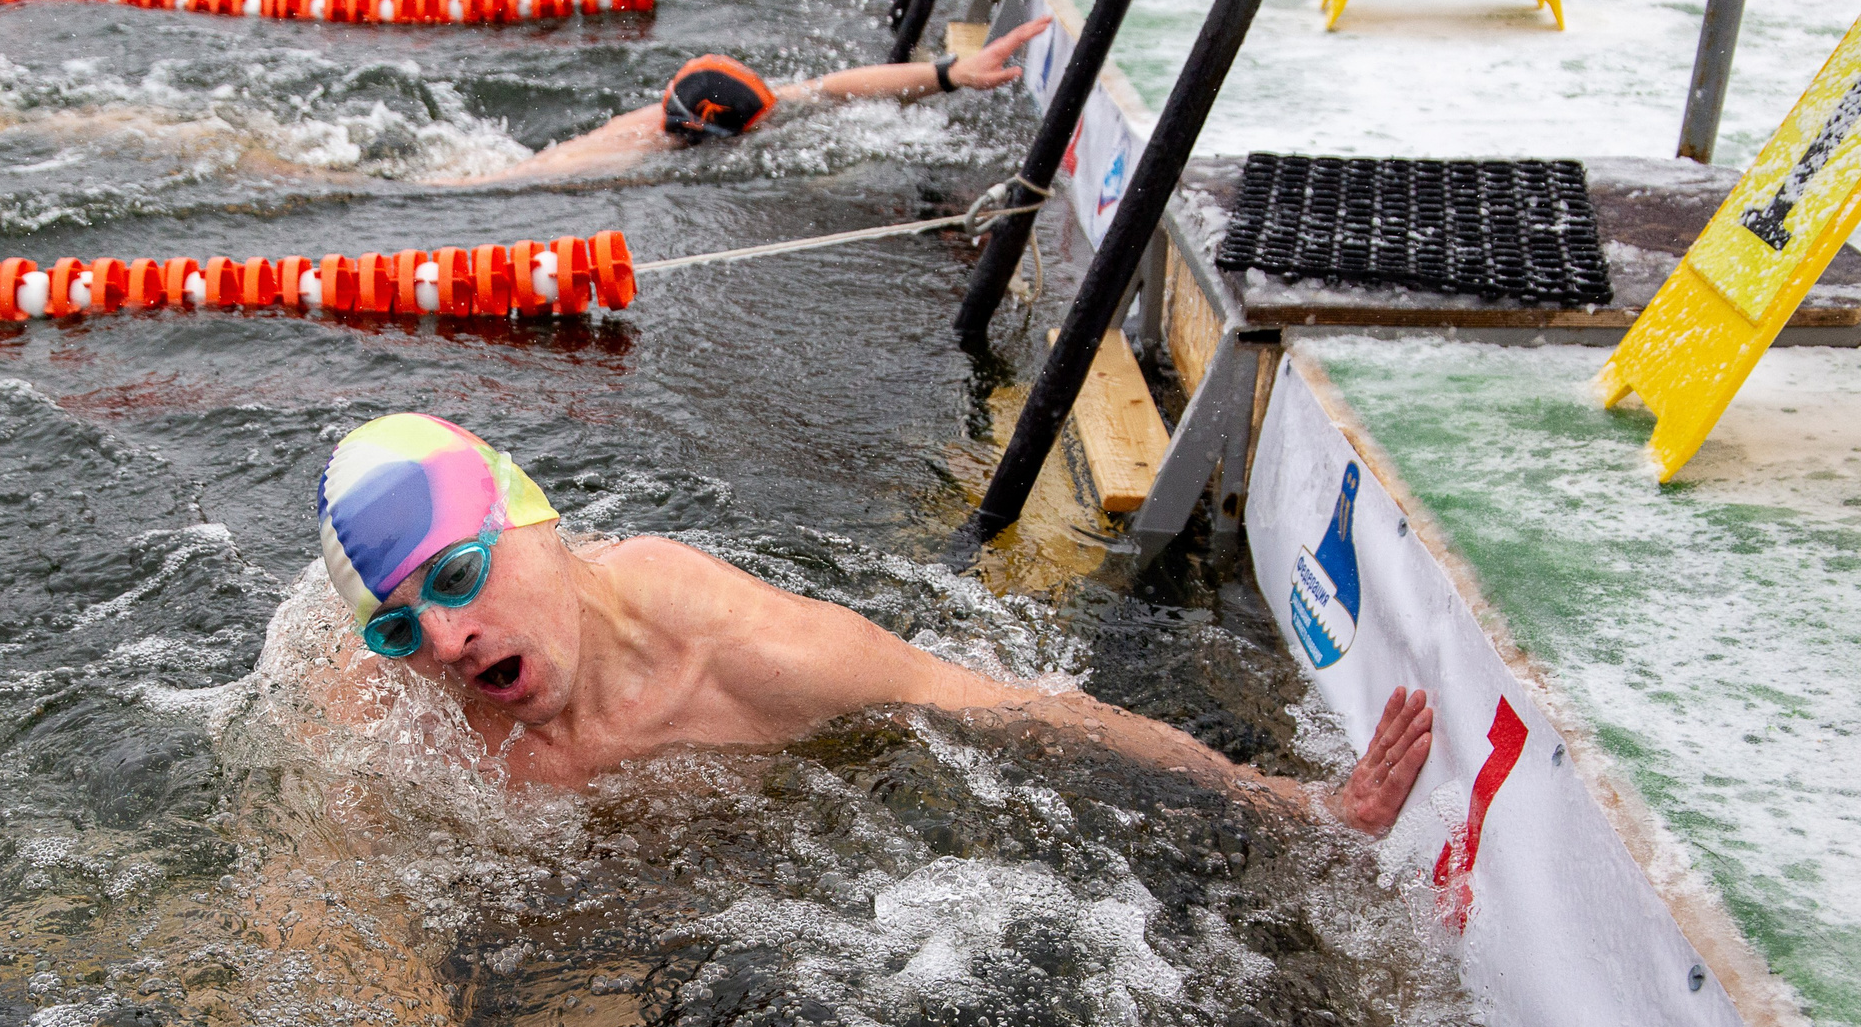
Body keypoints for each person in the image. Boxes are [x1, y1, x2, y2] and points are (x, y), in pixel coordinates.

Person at [316, 412, 1435, 830]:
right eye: (398, 625)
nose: (447, 641)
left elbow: (1011, 709)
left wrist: (1296, 804)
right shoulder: (378, 702)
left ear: (536, 524)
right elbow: (310, 923)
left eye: (458, 576)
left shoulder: (745, 653)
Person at [441, 20, 1056, 185]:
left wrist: (949, 73)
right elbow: (520, 181)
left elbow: (836, 87)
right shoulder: (609, 162)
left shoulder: (692, 118)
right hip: (522, 171)